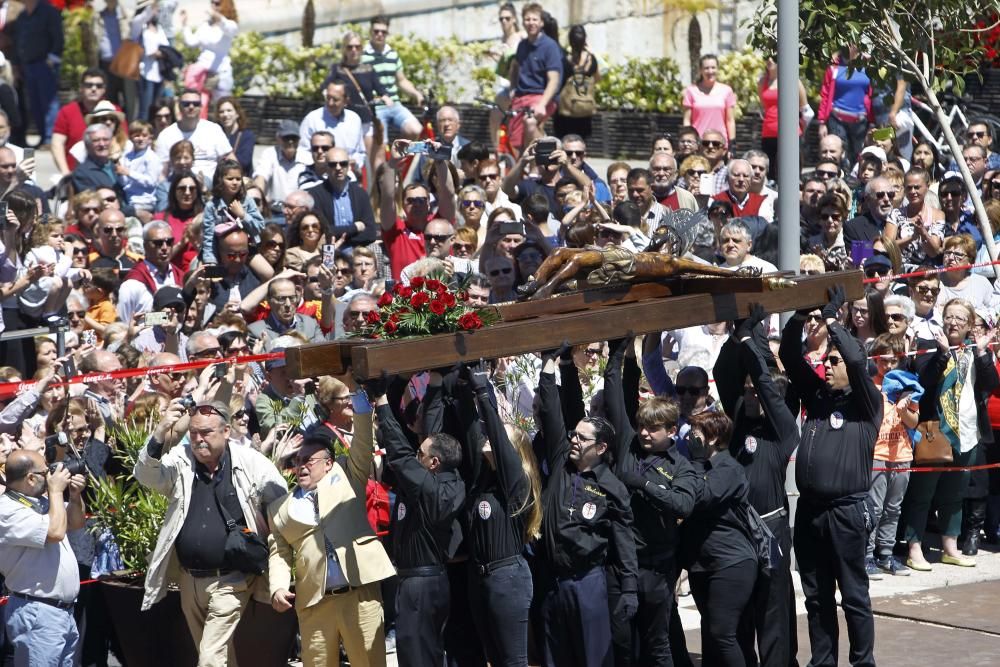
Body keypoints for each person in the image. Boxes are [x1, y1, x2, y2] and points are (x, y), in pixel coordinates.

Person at [134, 398, 287, 663]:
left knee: (209, 658)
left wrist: (279, 578)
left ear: (226, 432)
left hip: (232, 580)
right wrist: (161, 431)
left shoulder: (254, 464)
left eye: (206, 432)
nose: (198, 439)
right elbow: (146, 476)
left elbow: (282, 514)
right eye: (193, 433)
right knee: (219, 655)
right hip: (189, 580)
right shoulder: (182, 460)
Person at [779, 285, 881, 667]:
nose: (828, 366)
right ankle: (823, 661)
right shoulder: (818, 396)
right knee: (816, 595)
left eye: (833, 362)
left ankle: (862, 662)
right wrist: (801, 317)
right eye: (828, 361)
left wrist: (834, 320)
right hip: (810, 511)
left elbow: (855, 359)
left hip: (847, 511)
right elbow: (791, 356)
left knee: (853, 595)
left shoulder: (867, 403)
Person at [268, 393, 395, 667]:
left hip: (358, 593)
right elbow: (278, 553)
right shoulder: (279, 508)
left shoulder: (348, 479)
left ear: (328, 464)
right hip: (315, 601)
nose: (301, 466)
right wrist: (277, 586)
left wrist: (360, 402)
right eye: (297, 461)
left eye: (308, 460)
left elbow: (362, 446)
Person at [536, 348, 638, 667]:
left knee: (593, 658)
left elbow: (624, 541)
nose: (574, 442)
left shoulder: (612, 487)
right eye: (574, 436)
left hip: (588, 581)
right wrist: (549, 366)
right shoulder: (560, 464)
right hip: (553, 582)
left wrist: (629, 589)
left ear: (602, 447)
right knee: (556, 658)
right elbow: (553, 412)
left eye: (582, 438)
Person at [603, 338, 699, 666]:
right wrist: (618, 356)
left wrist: (643, 484)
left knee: (658, 643)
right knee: (622, 643)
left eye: (653, 429)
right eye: (642, 427)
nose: (644, 434)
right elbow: (617, 400)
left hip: (658, 568)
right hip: (622, 565)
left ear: (671, 430)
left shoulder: (682, 466)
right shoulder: (630, 447)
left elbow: (683, 505)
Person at [714, 304, 799, 666]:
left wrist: (753, 337)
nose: (749, 395)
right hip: (737, 531)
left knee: (773, 610)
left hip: (771, 526)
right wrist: (738, 336)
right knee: (741, 609)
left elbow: (765, 381)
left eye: (755, 392)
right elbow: (722, 373)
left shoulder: (782, 432)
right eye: (747, 391)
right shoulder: (739, 424)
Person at [370, 376, 465, 667]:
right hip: (427, 581)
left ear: (433, 463)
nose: (416, 456)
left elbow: (399, 454)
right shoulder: (447, 481)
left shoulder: (431, 489)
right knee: (427, 654)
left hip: (420, 587)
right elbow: (431, 431)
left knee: (417, 657)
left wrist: (383, 402)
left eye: (420, 455)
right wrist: (435, 382)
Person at [904, 298, 999, 570]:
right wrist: (943, 353)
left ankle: (949, 546)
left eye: (960, 318)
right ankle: (914, 548)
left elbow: (993, 384)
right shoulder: (928, 346)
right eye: (949, 317)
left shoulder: (976, 351)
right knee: (923, 493)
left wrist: (982, 354)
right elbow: (925, 381)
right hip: (936, 432)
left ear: (970, 325)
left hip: (967, 432)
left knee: (955, 495)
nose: (953, 322)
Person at [682, 409, 757, 667]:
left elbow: (701, 496)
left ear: (712, 438)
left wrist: (694, 460)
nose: (690, 436)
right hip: (702, 563)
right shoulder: (699, 465)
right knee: (712, 633)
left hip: (730, 562)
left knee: (723, 633)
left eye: (696, 432)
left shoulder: (729, 468)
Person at [0, 450, 87, 666]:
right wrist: (56, 492)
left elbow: (75, 523)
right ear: (30, 478)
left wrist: (75, 497)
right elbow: (56, 531)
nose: (51, 475)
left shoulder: (39, 501)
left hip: (62, 612)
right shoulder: (7, 510)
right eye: (45, 471)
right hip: (37, 613)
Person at [508, 2, 563, 153]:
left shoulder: (550, 46)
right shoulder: (522, 46)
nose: (531, 23)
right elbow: (515, 68)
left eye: (534, 19)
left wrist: (542, 104)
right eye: (527, 19)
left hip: (542, 97)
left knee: (530, 124)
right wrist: (512, 88)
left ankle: (540, 163)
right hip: (521, 97)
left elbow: (554, 80)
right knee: (514, 140)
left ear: (541, 22)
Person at [362, 14, 423, 143]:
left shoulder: (392, 54)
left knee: (416, 130)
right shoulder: (363, 55)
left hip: (394, 104)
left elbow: (401, 80)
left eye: (383, 32)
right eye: (376, 31)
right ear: (370, 32)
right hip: (375, 107)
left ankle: (397, 159)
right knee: (380, 144)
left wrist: (416, 94)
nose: (380, 34)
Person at [10, 0, 63, 149]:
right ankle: (43, 137)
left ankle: (50, 138)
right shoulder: (22, 15)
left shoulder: (48, 12)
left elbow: (58, 37)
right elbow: (18, 41)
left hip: (44, 64)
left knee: (49, 103)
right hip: (28, 65)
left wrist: (52, 59)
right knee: (35, 104)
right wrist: (16, 65)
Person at [154, 87, 232, 184]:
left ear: (201, 106)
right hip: (177, 187)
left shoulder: (213, 129)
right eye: (186, 104)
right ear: (179, 106)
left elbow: (231, 160)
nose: (191, 107)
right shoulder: (166, 135)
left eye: (196, 104)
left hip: (210, 187)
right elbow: (162, 172)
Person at [309, 145, 378, 250]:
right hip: (328, 251)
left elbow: (371, 232)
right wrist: (355, 228)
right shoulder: (315, 194)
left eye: (343, 164)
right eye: (333, 164)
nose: (338, 168)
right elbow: (321, 231)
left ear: (349, 166)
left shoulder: (360, 193)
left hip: (356, 254)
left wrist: (340, 237)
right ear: (326, 167)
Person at [201, 157, 264, 266]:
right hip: (220, 252)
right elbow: (209, 237)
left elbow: (259, 226)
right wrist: (210, 260)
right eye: (230, 179)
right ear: (220, 180)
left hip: (247, 250)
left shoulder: (247, 201)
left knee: (267, 272)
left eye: (238, 179)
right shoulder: (212, 206)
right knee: (205, 277)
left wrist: (243, 215)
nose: (235, 183)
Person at [179, 0, 239, 112]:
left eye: (217, 3)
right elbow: (191, 42)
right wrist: (185, 25)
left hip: (221, 74)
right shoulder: (205, 25)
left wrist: (219, 18)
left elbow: (230, 29)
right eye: (212, 2)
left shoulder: (230, 24)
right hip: (203, 75)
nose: (213, 6)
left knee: (223, 108)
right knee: (200, 109)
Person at [817, 46, 872, 164]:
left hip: (861, 122)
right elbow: (825, 95)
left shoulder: (868, 66)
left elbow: (873, 94)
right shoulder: (834, 66)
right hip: (837, 119)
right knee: (839, 154)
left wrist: (872, 123)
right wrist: (822, 123)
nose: (850, 45)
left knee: (859, 156)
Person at [758, 57, 810, 179]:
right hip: (768, 133)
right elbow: (764, 106)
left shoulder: (793, 80)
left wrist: (801, 129)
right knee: (770, 171)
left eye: (774, 58)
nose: (770, 60)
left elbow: (805, 109)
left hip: (790, 133)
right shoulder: (762, 82)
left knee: (791, 171)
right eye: (767, 57)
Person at [299, 80, 366, 173]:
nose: (330, 103)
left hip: (348, 176)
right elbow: (302, 152)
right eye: (328, 98)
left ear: (346, 101)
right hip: (319, 178)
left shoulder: (354, 120)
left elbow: (360, 152)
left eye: (335, 99)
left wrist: (355, 162)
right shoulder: (312, 119)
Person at [253, 120, 309, 219]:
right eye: (286, 138)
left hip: (301, 212)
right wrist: (258, 198)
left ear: (299, 140)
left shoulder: (307, 157)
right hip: (275, 211)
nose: (290, 141)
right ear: (278, 139)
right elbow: (261, 177)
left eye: (294, 138)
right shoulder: (269, 154)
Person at [552, 24, 599, 141]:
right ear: (585, 39)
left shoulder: (565, 59)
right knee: (582, 142)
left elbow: (558, 81)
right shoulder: (591, 59)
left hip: (566, 111)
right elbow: (598, 78)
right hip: (585, 109)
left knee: (565, 141)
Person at [683, 55, 737, 147]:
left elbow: (730, 120)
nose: (710, 71)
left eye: (713, 68)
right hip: (699, 143)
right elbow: (687, 120)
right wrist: (688, 140)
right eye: (706, 68)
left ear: (718, 69)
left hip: (720, 143)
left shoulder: (726, 91)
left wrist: (732, 144)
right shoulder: (691, 91)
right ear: (700, 70)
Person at [131, 0, 170, 122]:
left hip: (159, 73)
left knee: (156, 107)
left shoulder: (159, 28)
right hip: (145, 73)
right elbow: (143, 17)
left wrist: (161, 53)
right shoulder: (139, 25)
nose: (156, 11)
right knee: (145, 108)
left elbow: (167, 47)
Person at [216, 96, 255, 177]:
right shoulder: (215, 135)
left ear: (237, 114)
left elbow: (245, 162)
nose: (225, 114)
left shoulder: (247, 135)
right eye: (221, 112)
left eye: (229, 110)